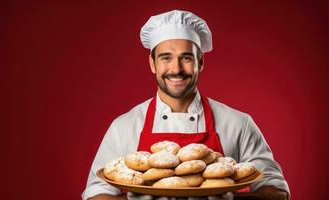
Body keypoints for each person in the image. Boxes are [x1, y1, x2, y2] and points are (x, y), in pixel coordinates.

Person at [82, 10, 290, 200]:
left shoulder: (238, 124)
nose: (176, 68)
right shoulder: (124, 127)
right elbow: (96, 194)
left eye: (186, 58)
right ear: (152, 64)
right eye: (166, 57)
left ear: (201, 62)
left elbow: (276, 192)